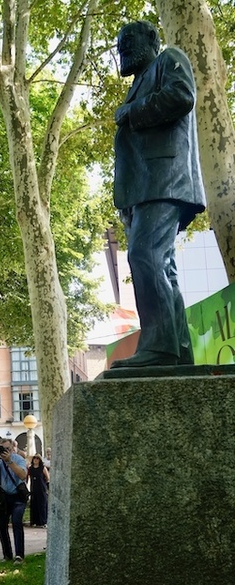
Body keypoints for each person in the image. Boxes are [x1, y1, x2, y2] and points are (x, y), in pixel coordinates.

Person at [111, 20, 206, 369]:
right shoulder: (139, 81)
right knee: (162, 264)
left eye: (127, 41)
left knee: (144, 254)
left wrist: (130, 112)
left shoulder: (168, 60)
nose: (121, 48)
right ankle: (177, 351)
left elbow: (182, 96)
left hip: (164, 180)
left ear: (151, 38)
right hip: (145, 188)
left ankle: (160, 347)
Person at [27, 454, 49, 527]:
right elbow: (28, 477)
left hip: (41, 488)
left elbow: (47, 477)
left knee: (42, 504)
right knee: (34, 504)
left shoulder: (42, 468)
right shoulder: (30, 468)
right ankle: (34, 521)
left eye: (37, 459)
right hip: (34, 488)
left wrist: (46, 486)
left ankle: (43, 521)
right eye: (34, 458)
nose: (36, 460)